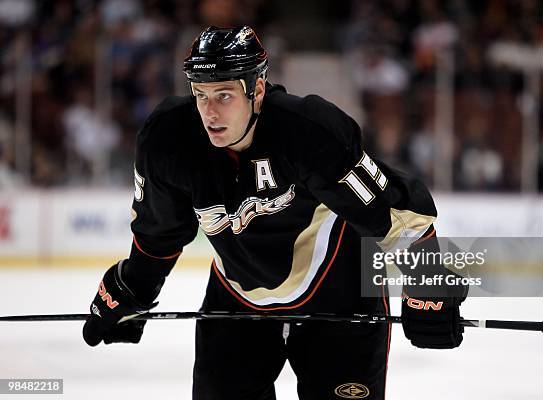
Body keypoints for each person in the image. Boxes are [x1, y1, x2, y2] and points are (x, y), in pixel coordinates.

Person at [82, 26, 466, 400]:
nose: (209, 112)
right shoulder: (169, 140)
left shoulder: (307, 131)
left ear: (257, 89)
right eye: (200, 95)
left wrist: (429, 281)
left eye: (224, 95)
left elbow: (391, 211)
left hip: (341, 299)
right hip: (237, 302)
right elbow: (158, 231)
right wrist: (132, 287)